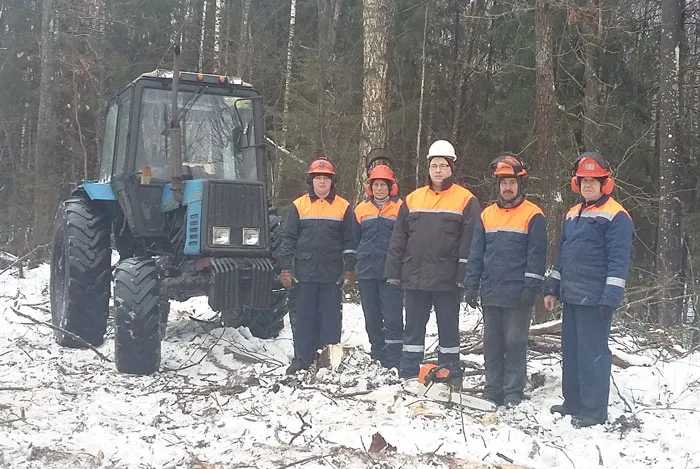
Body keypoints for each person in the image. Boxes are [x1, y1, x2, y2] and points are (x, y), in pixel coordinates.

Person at [543, 152, 633, 428]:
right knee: (571, 352)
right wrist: (552, 287)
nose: (588, 186)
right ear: (576, 183)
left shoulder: (617, 216)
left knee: (593, 353)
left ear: (606, 183)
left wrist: (610, 297)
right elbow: (563, 256)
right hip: (571, 294)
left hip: (595, 299)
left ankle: (594, 411)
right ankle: (573, 402)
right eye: (583, 181)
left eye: (594, 181)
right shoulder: (572, 214)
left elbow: (618, 261)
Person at [384, 139, 480, 379]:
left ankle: (448, 372)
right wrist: (393, 272)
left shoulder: (466, 200)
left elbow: (471, 243)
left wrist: (464, 276)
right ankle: (408, 372)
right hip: (415, 278)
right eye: (434, 165)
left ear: (452, 168)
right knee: (413, 331)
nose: (438, 170)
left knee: (448, 331)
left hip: (447, 281)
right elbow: (399, 238)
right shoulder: (413, 199)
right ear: (428, 167)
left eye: (443, 165)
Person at [464, 155, 547, 407]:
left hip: (517, 293)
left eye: (511, 182)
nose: (507, 187)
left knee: (514, 342)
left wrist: (530, 287)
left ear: (520, 184)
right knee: (492, 343)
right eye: (503, 183)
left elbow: (537, 256)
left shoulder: (533, 215)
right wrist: (471, 283)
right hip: (491, 290)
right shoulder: (487, 215)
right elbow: (476, 252)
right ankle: (493, 387)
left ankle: (512, 390)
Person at [279, 157, 357, 375]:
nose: (322, 183)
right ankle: (302, 360)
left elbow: (350, 242)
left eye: (326, 179)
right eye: (318, 178)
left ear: (332, 182)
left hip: (332, 275)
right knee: (304, 319)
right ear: (311, 181)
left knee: (330, 321)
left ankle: (328, 362)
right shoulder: (299, 206)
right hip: (304, 275)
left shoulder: (344, 207)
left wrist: (350, 270)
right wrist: (285, 268)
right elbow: (288, 240)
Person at [353, 149, 404, 369]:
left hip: (392, 273)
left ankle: (394, 358)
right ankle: (377, 353)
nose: (379, 188)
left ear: (391, 186)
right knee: (372, 317)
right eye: (376, 185)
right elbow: (353, 240)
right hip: (367, 272)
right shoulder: (361, 210)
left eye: (383, 184)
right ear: (370, 187)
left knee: (392, 318)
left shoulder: (402, 209)